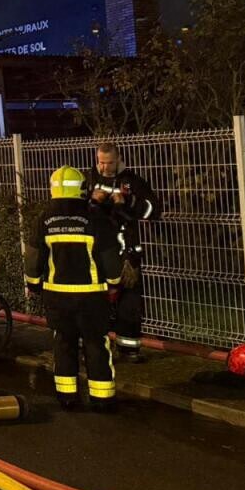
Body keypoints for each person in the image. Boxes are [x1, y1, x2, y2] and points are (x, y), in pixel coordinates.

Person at [24, 166, 123, 412]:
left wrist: (33, 284)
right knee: (96, 344)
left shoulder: (44, 219)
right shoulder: (95, 218)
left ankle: (67, 396)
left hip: (57, 295)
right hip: (91, 296)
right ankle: (102, 398)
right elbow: (110, 257)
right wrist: (114, 283)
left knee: (63, 342)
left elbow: (33, 257)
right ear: (82, 189)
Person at [86, 142, 162, 362]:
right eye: (101, 162)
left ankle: (129, 350)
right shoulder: (89, 180)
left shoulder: (132, 182)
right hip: (97, 253)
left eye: (109, 163)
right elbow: (78, 211)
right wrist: (92, 201)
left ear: (118, 160)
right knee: (95, 302)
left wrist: (129, 201)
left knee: (130, 304)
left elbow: (153, 210)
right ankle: (93, 348)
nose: (105, 167)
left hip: (127, 254)